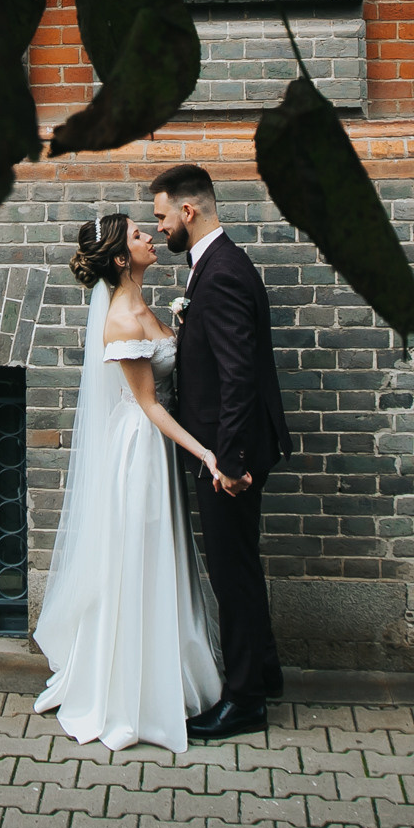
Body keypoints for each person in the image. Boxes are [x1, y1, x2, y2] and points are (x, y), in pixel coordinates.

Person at [32, 213, 224, 752]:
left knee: (158, 555)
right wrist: (206, 453)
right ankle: (131, 692)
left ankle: (168, 674)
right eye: (139, 236)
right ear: (121, 258)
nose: (151, 237)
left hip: (154, 445)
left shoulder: (143, 305)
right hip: (140, 450)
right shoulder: (121, 318)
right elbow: (149, 405)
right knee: (139, 559)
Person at [151, 163, 290, 741]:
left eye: (162, 216)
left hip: (228, 456)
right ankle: (265, 672)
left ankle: (245, 700)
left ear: (188, 210)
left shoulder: (223, 272)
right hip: (225, 448)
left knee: (231, 574)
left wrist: (228, 463)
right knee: (242, 566)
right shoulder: (216, 264)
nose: (160, 227)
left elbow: (237, 378)